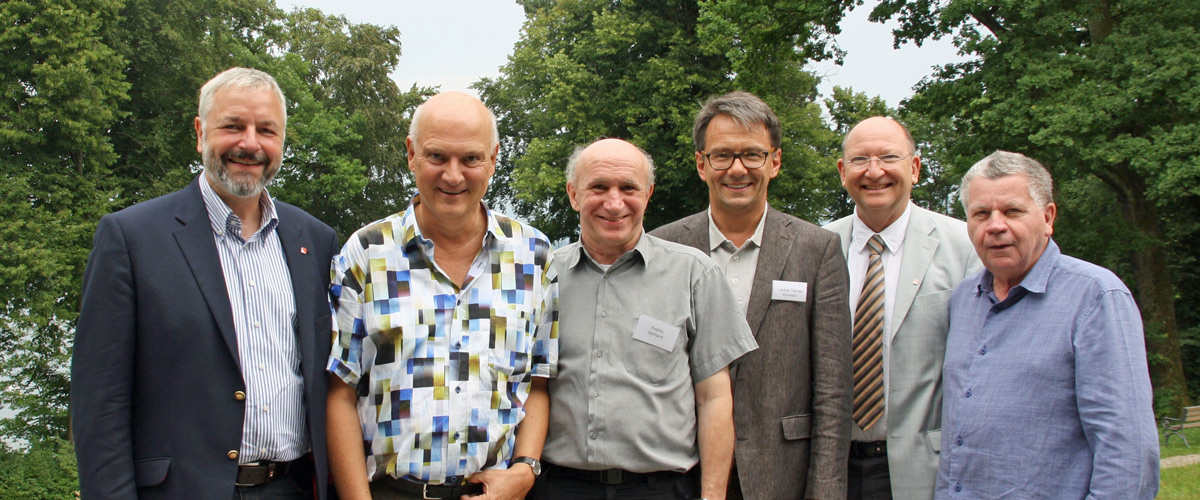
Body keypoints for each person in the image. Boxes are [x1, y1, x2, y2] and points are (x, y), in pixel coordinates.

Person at [72, 67, 338, 499]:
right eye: (233, 126)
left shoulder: (316, 240)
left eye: (266, 130)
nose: (250, 143)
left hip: (292, 488)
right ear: (200, 132)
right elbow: (99, 404)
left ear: (282, 141)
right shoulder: (131, 238)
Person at [325, 91, 558, 500]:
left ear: (493, 158)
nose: (453, 176)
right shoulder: (366, 252)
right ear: (411, 154)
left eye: (470, 158)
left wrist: (525, 469)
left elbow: (537, 382)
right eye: (437, 157)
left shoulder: (534, 256)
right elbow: (340, 392)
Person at [652, 91, 851, 500]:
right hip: (678, 473)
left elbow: (833, 392)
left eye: (752, 155)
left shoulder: (818, 250)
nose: (737, 169)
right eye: (722, 155)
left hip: (782, 474)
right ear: (701, 164)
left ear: (774, 162)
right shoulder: (663, 247)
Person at [535, 138, 758, 500]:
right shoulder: (543, 278)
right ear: (573, 194)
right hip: (559, 487)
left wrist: (713, 495)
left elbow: (714, 398)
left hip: (662, 489)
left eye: (628, 188)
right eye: (598, 187)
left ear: (649, 193)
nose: (614, 202)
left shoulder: (694, 274)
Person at [939, 150, 1159, 499]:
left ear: (1048, 217)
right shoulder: (964, 299)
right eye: (981, 213)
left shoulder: (1096, 297)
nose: (995, 225)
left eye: (1012, 211)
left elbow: (1127, 451)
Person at [823, 116, 980, 500]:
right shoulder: (817, 246)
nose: (874, 172)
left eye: (888, 157)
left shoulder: (965, 246)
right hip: (833, 467)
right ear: (843, 172)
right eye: (860, 160)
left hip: (926, 470)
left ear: (915, 168)